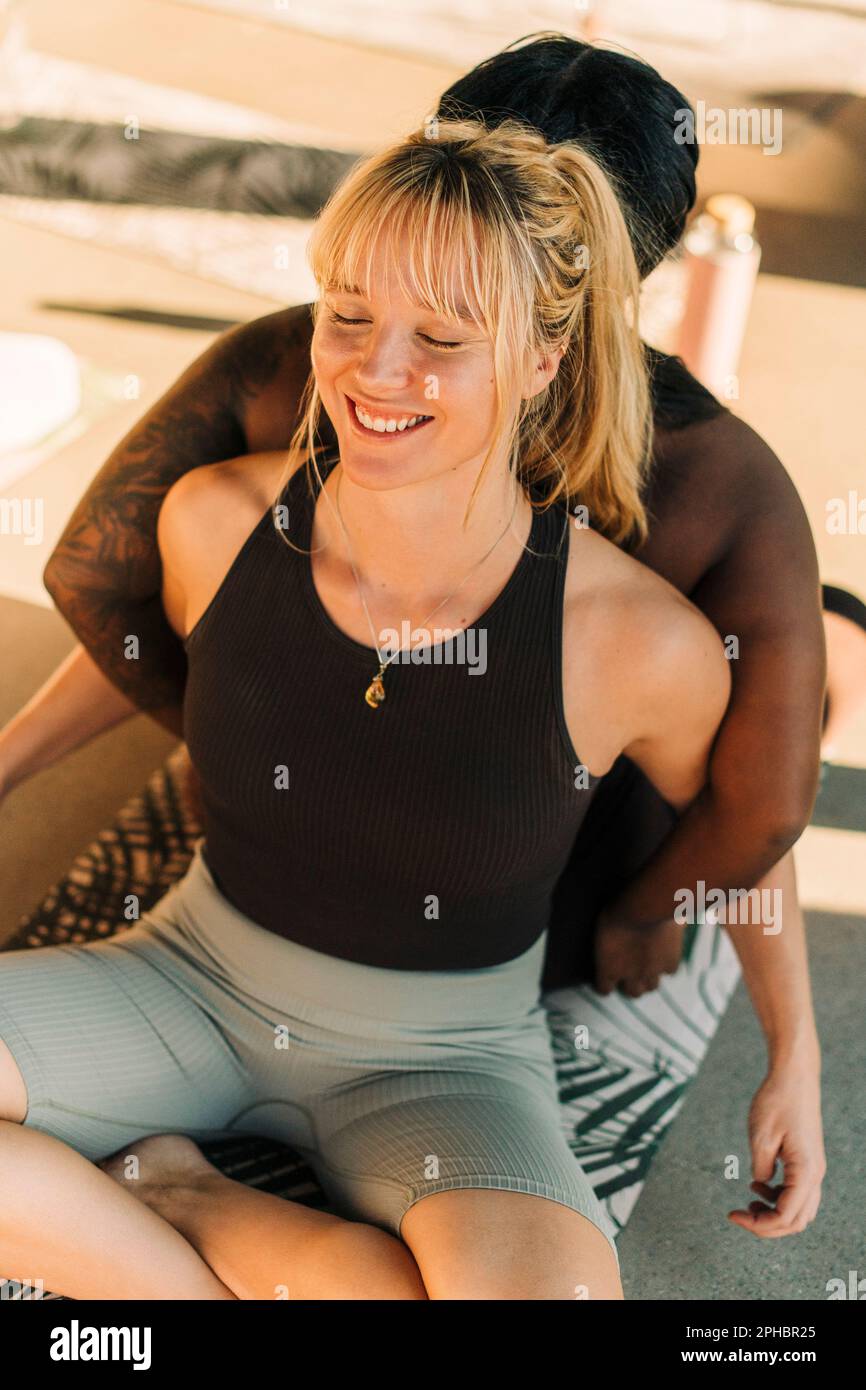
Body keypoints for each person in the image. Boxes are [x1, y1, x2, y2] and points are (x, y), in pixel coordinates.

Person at [5, 35, 827, 1264]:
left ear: (548, 353)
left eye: (442, 338)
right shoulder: (216, 520)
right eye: (347, 316)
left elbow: (750, 821)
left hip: (444, 1062)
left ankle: (185, 1199)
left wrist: (794, 1056)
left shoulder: (631, 638)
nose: (375, 372)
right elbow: (158, 643)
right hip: (180, 977)